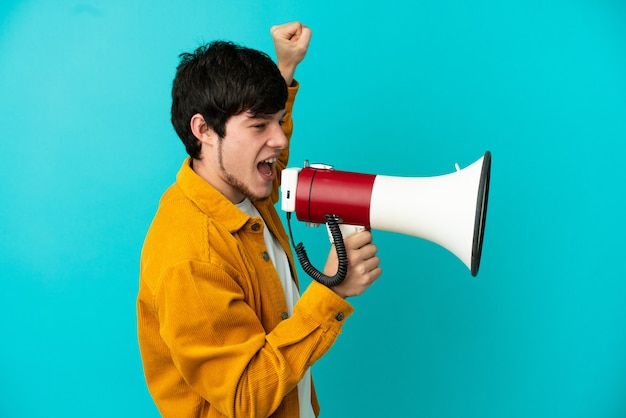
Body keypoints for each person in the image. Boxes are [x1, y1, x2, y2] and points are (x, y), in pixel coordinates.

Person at [137, 22, 382, 418]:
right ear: (204, 130)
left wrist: (283, 71)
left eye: (278, 119)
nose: (280, 139)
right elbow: (245, 396)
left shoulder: (247, 184)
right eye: (259, 126)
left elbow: (272, 156)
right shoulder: (191, 258)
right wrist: (332, 292)